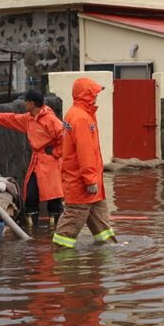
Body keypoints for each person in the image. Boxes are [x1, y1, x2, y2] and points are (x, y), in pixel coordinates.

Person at [53, 77, 117, 248]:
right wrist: (90, 179)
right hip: (81, 182)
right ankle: (61, 254)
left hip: (84, 180)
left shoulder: (77, 114)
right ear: (86, 95)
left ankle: (109, 247)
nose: (96, 96)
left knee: (100, 219)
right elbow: (85, 152)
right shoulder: (81, 118)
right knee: (74, 216)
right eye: (94, 93)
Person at [0, 89, 64, 227]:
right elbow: (11, 119)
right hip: (37, 163)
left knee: (54, 199)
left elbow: (66, 138)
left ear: (32, 103)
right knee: (31, 197)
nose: (24, 104)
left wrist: (55, 151)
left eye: (26, 102)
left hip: (50, 163)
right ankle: (33, 231)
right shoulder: (29, 118)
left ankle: (55, 231)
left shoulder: (51, 120)